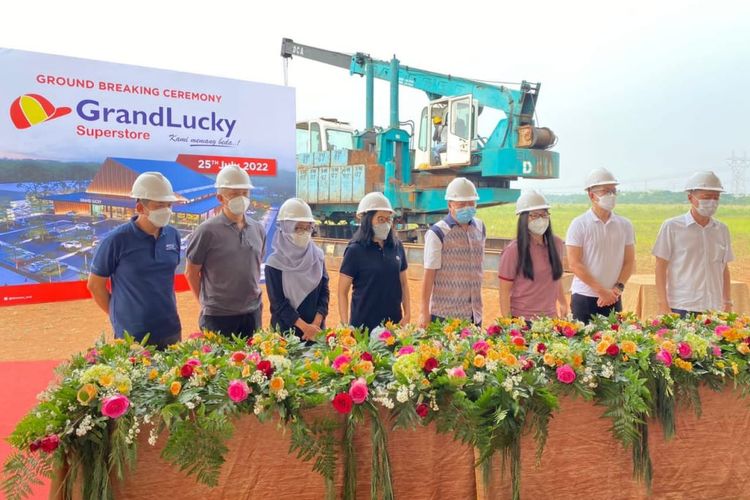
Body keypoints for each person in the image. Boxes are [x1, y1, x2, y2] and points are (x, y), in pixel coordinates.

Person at [87, 172, 181, 350]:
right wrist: (120, 317)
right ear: (140, 208)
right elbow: (95, 285)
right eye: (159, 205)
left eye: (169, 205)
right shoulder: (117, 240)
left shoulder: (173, 236)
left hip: (170, 330)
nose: (167, 210)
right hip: (133, 336)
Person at [185, 165, 265, 338]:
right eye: (234, 194)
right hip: (218, 318)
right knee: (219, 364)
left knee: (253, 363)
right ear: (220, 198)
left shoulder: (258, 229)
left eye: (245, 193)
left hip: (252, 314)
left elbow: (256, 263)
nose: (241, 198)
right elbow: (191, 272)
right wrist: (207, 304)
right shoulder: (206, 231)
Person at [653, 171, 734, 317]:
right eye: (706, 197)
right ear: (690, 197)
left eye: (716, 198)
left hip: (714, 307)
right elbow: (660, 266)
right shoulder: (672, 227)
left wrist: (727, 302)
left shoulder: (722, 230)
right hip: (681, 305)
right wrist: (663, 303)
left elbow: (724, 268)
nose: (712, 202)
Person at [566, 168, 635, 323]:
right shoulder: (579, 224)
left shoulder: (625, 225)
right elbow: (574, 263)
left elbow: (629, 261)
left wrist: (617, 289)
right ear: (592, 195)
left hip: (613, 297)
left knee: (613, 345)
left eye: (613, 191)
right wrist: (601, 291)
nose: (611, 195)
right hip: (584, 297)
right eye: (606, 191)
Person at [338, 192, 410, 331]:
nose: (386, 224)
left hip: (393, 326)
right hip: (363, 328)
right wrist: (345, 325)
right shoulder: (355, 250)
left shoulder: (396, 246)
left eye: (388, 220)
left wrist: (407, 314)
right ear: (367, 220)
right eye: (380, 219)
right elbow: (342, 291)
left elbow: (404, 284)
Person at [419, 177, 486, 327]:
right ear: (450, 205)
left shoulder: (480, 228)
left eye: (471, 203)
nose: (467, 207)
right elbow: (429, 275)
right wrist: (424, 312)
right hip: (445, 316)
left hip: (474, 315)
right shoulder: (438, 233)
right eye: (462, 204)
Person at [265, 198, 329, 342]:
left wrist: (315, 325)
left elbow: (324, 293)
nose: (304, 232)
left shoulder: (317, 256)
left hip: (316, 333)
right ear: (285, 228)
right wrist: (306, 328)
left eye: (308, 227)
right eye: (298, 228)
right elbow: (278, 304)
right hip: (286, 336)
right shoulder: (274, 263)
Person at [498, 190, 568, 320]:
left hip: (551, 319)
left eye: (544, 214)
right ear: (524, 218)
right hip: (523, 320)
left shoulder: (557, 244)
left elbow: (556, 278)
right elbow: (504, 292)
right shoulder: (513, 250)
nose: (540, 219)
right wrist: (509, 324)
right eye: (534, 215)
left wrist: (563, 303)